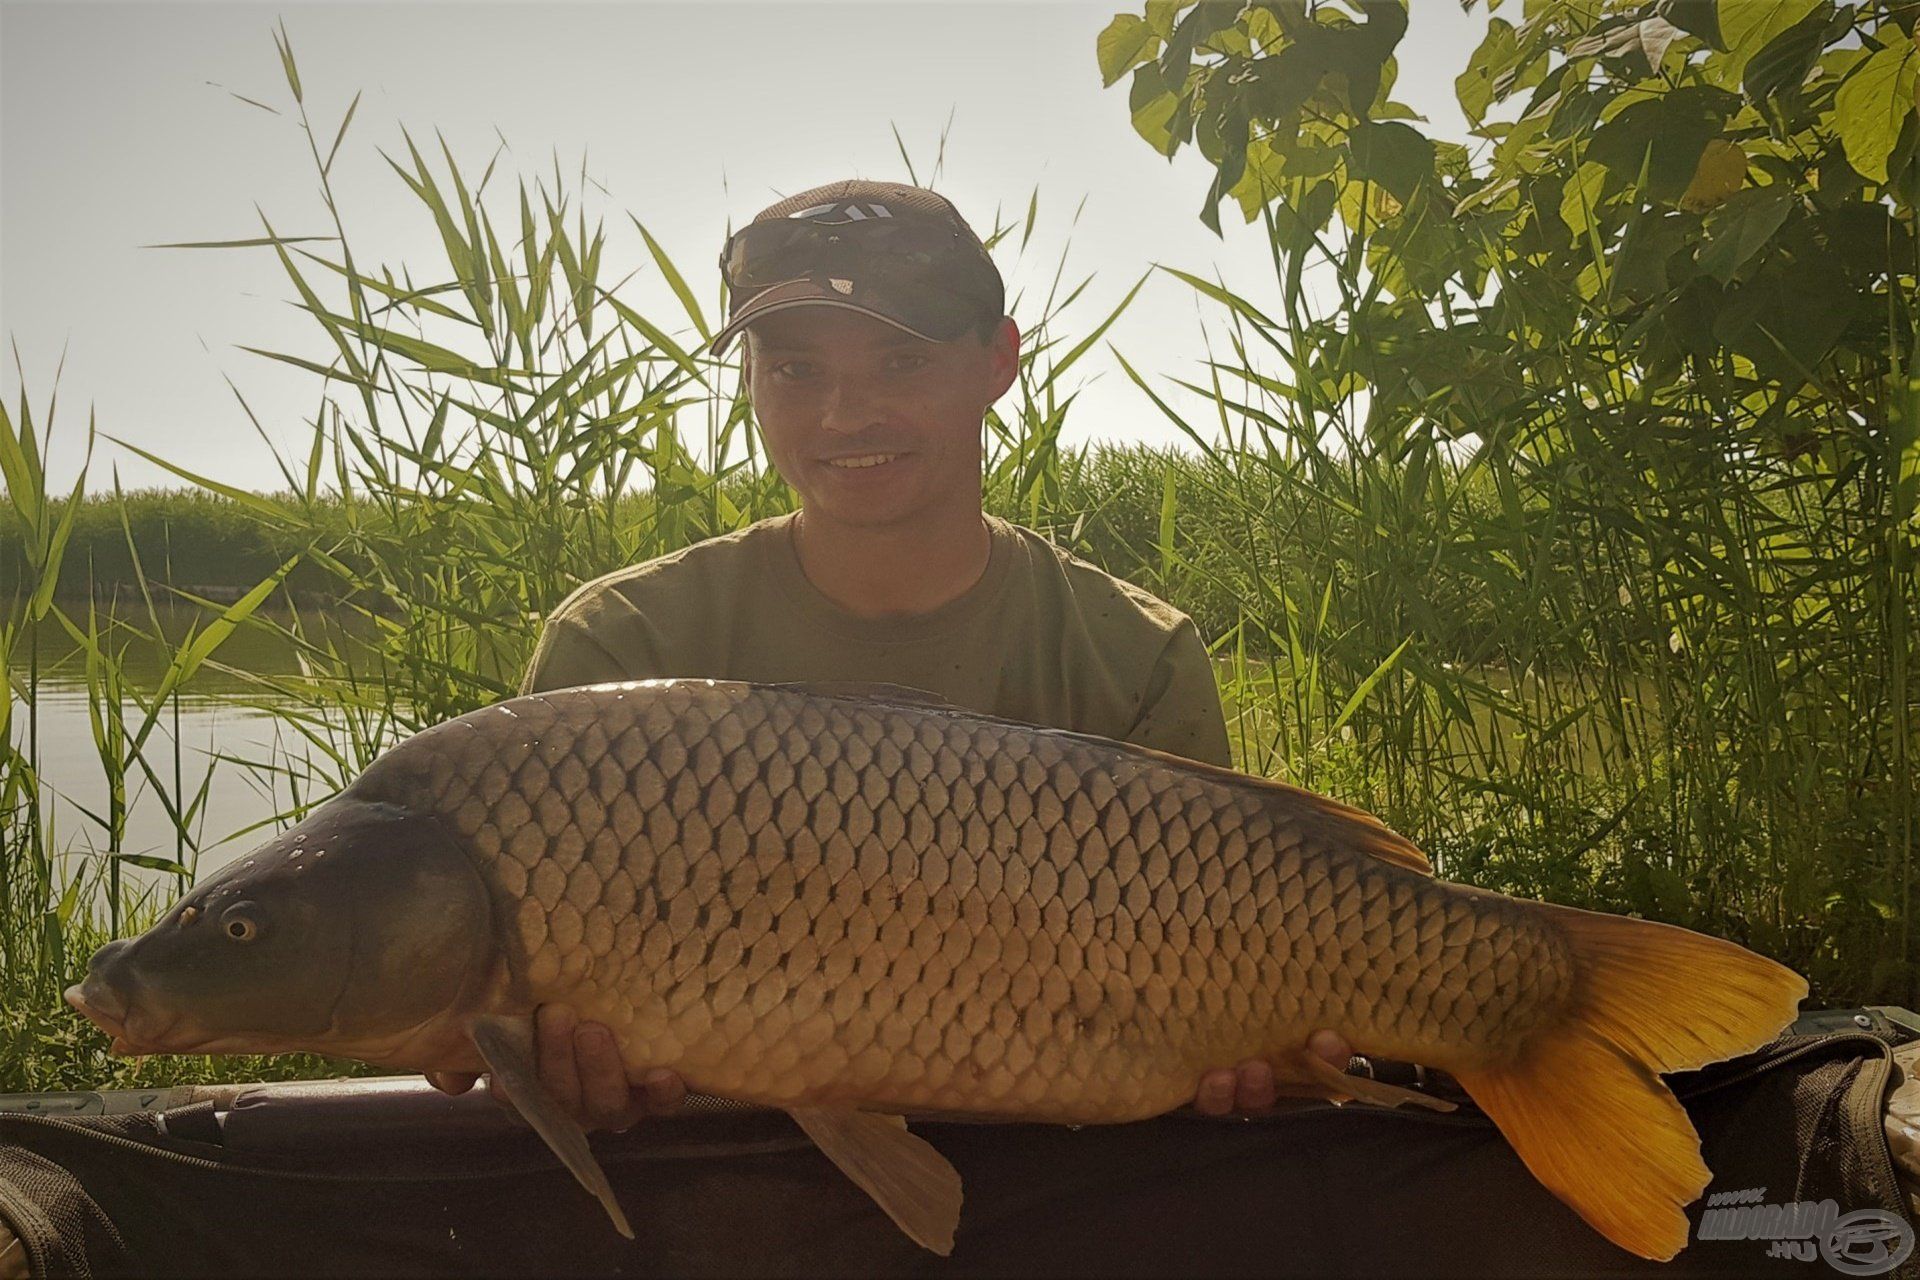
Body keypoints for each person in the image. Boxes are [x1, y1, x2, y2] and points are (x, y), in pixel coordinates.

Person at [426, 178, 1356, 1130]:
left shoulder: (1133, 655)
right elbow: (496, 1020)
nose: (843, 417)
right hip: (733, 1199)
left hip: (1059, 1180)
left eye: (900, 361)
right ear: (749, 378)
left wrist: (1263, 1056)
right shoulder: (621, 645)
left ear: (998, 361)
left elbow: (1229, 965)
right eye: (793, 371)